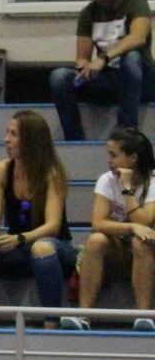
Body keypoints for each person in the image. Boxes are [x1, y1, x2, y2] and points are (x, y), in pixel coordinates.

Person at [0, 109, 75, 326]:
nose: (6, 140)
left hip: (54, 248)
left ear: (30, 140)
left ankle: (51, 322)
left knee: (42, 247)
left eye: (13, 134)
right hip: (17, 246)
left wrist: (20, 238)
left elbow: (52, 226)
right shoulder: (1, 169)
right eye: (7, 133)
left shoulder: (52, 173)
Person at [49, 0, 154, 142]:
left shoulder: (135, 3)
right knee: (59, 77)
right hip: (107, 80)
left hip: (140, 80)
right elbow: (82, 56)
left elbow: (138, 37)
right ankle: (75, 140)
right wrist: (84, 67)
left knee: (131, 58)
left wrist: (104, 58)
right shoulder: (89, 13)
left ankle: (126, 132)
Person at [64, 127, 155, 331]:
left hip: (149, 251)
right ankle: (84, 315)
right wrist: (131, 226)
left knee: (141, 241)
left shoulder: (153, 181)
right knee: (96, 240)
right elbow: (98, 223)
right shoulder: (106, 179)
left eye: (114, 155)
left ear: (132, 158)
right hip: (121, 253)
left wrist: (127, 187)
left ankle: (144, 315)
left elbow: (146, 222)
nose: (108, 161)